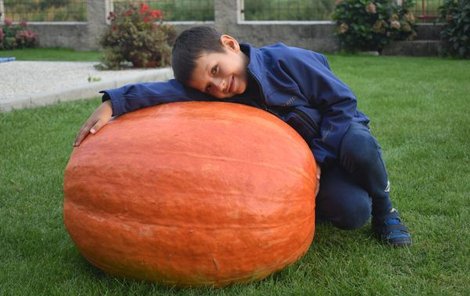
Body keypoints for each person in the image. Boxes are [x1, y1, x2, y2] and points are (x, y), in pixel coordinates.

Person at [74, 26, 411, 247]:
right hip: (305, 166)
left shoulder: (288, 60)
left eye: (217, 71)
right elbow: (166, 91)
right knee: (352, 214)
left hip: (338, 136)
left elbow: (342, 104)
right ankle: (341, 202)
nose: (219, 86)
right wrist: (114, 103)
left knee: (360, 146)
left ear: (230, 44)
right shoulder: (224, 92)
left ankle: (386, 208)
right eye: (208, 87)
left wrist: (321, 158)